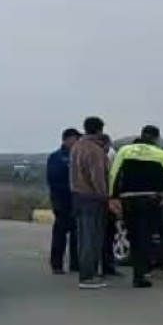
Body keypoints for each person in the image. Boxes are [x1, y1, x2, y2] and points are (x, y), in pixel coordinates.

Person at [109, 125, 163, 288]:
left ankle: (139, 272)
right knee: (146, 236)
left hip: (128, 199)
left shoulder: (125, 151)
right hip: (150, 199)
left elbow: (113, 173)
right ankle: (141, 274)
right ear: (156, 138)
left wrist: (112, 196)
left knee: (133, 236)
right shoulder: (160, 154)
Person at [70, 116, 112, 289]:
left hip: (78, 196)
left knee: (83, 237)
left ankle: (86, 272)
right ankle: (88, 276)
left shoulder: (76, 147)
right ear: (99, 130)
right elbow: (98, 178)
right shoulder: (95, 150)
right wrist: (106, 197)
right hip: (92, 198)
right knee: (92, 238)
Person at [46, 128, 81, 274]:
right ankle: (57, 264)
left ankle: (75, 264)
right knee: (60, 233)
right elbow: (53, 179)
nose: (77, 142)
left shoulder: (77, 156)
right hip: (61, 200)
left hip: (76, 200)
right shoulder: (57, 157)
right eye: (75, 139)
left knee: (76, 234)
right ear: (67, 139)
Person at [100, 134, 120, 277]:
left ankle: (108, 265)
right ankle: (104, 266)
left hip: (109, 200)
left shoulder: (113, 156)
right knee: (103, 235)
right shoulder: (99, 156)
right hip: (102, 200)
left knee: (108, 235)